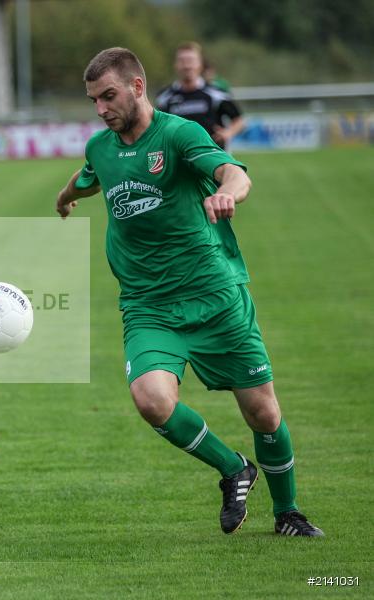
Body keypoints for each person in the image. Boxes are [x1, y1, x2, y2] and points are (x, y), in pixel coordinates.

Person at [56, 47, 323, 537]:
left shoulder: (179, 134)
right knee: (151, 399)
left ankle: (288, 512)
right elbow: (89, 177)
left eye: (109, 96)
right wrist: (65, 197)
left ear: (137, 87)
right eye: (94, 100)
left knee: (263, 412)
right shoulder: (101, 146)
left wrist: (228, 193)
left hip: (213, 294)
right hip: (148, 305)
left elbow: (232, 171)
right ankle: (233, 469)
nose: (101, 108)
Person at [156, 42, 244, 149]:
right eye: (182, 61)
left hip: (213, 157)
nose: (187, 66)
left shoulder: (217, 94)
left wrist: (228, 133)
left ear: (200, 64)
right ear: (176, 65)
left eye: (191, 61)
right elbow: (157, 125)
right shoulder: (164, 97)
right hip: (179, 158)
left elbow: (239, 121)